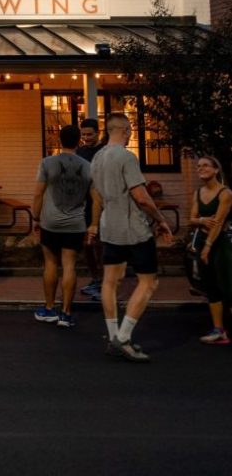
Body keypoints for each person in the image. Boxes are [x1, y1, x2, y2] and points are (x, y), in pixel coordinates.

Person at [89, 112, 172, 362]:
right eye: (131, 130)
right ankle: (123, 337)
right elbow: (142, 197)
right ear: (126, 130)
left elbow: (97, 196)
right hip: (134, 229)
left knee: (110, 281)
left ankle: (114, 335)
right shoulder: (126, 157)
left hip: (110, 226)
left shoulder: (97, 157)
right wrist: (160, 220)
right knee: (148, 283)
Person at [32, 124, 92, 328]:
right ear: (79, 141)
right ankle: (66, 313)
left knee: (50, 263)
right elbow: (96, 197)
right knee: (69, 265)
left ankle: (49, 308)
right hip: (76, 223)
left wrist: (36, 217)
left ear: (60, 140)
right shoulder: (87, 166)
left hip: (51, 221)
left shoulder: (47, 163)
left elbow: (38, 193)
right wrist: (92, 223)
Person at [189, 156, 232, 345]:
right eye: (198, 166)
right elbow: (191, 218)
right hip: (201, 243)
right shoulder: (198, 193)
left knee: (227, 284)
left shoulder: (225, 193)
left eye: (205, 165)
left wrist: (207, 246)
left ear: (216, 170)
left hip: (220, 244)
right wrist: (202, 221)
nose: (201, 168)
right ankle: (219, 330)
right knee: (210, 286)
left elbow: (219, 222)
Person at [76, 117, 105, 301]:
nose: (86, 137)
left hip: (102, 201)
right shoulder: (80, 151)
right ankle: (95, 278)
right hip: (84, 203)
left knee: (100, 243)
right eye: (84, 134)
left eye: (90, 134)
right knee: (86, 244)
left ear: (98, 133)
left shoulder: (104, 152)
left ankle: (104, 282)